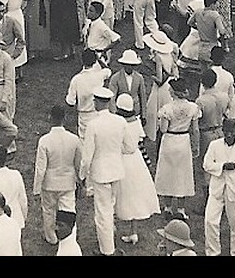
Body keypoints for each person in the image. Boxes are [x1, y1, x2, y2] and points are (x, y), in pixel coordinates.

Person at [80, 85, 125, 256]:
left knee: (103, 213)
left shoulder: (93, 125)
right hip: (117, 170)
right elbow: (128, 146)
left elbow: (87, 157)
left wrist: (82, 176)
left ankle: (107, 251)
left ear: (98, 102)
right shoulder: (120, 121)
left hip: (102, 174)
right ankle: (109, 242)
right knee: (110, 207)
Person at [114, 93, 160, 246]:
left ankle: (112, 225)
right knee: (133, 196)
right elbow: (141, 144)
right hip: (136, 160)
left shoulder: (118, 123)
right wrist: (148, 162)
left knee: (115, 193)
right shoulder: (137, 122)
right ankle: (133, 232)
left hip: (121, 159)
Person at [33, 105, 82, 246]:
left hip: (49, 183)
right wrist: (81, 179)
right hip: (68, 182)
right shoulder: (74, 139)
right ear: (64, 118)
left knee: (48, 211)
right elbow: (79, 162)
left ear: (50, 117)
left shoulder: (45, 140)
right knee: (68, 209)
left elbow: (40, 167)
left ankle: (51, 237)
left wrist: (37, 188)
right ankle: (69, 236)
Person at [154, 78, 200, 216]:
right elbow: (196, 129)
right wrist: (195, 145)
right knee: (182, 174)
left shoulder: (167, 109)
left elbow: (163, 129)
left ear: (173, 92)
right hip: (184, 140)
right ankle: (181, 209)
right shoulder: (193, 107)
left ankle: (167, 207)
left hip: (169, 139)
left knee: (168, 172)